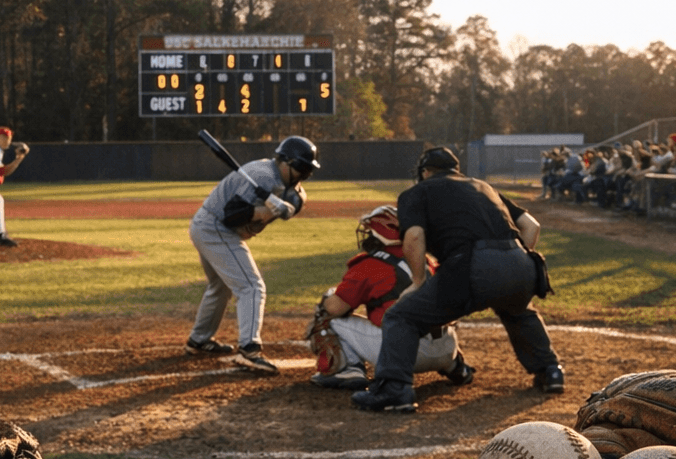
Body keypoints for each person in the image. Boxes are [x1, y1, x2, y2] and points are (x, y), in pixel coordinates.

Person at [354, 147, 563, 414]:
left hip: (472, 263)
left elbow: (414, 237)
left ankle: (394, 390)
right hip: (522, 262)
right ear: (456, 169)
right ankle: (551, 372)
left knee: (402, 316)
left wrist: (418, 281)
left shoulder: (418, 191)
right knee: (517, 309)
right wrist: (510, 260)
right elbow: (532, 226)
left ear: (425, 172)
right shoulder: (482, 186)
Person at [185, 136, 318, 375]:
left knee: (220, 287)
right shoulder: (260, 175)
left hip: (211, 228)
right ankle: (249, 350)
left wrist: (284, 210)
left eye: (307, 171)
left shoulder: (296, 192)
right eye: (299, 168)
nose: (302, 174)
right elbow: (230, 217)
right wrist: (262, 210)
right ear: (283, 162)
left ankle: (199, 340)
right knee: (252, 287)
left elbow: (293, 205)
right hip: (214, 227)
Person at [307, 205, 469, 389]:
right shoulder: (426, 261)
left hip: (406, 355)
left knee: (327, 315)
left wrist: (329, 296)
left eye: (371, 232)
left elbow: (335, 308)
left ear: (380, 235)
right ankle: (457, 367)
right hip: (447, 348)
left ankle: (348, 369)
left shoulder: (369, 265)